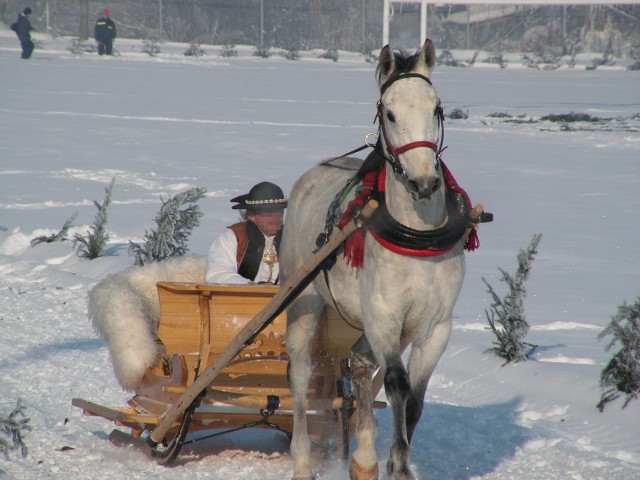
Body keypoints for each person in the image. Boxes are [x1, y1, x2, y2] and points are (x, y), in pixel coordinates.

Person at [206, 182, 287, 285]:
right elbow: (217, 275)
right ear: (250, 215)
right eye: (268, 214)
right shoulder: (233, 238)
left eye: (279, 212)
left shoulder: (292, 239)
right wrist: (251, 286)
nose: (276, 218)